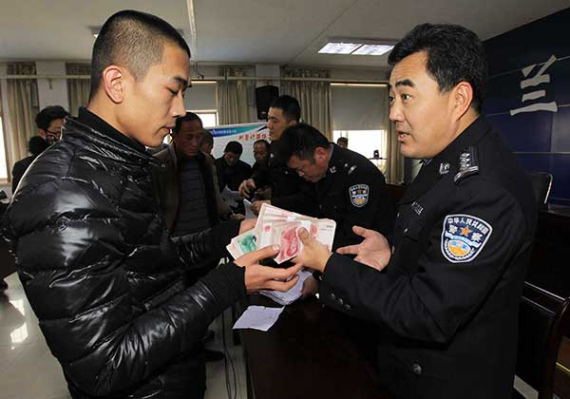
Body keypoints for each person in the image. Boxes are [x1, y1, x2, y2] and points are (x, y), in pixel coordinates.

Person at [1, 10, 300, 399]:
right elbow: (104, 365)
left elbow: (148, 261)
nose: (179, 110)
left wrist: (227, 233)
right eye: (173, 90)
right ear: (117, 83)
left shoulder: (117, 166)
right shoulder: (63, 191)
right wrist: (229, 282)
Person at [293, 23, 536, 399]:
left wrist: (329, 265)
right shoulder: (444, 163)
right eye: (391, 98)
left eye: (406, 97)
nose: (393, 113)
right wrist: (392, 253)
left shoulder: (484, 190)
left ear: (458, 99)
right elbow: (430, 251)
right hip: (407, 365)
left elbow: (428, 311)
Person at [153, 111, 229, 363]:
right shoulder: (160, 163)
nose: (195, 143)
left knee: (203, 298)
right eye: (188, 137)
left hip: (207, 242)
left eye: (199, 137)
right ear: (173, 135)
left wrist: (230, 219)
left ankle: (197, 342)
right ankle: (186, 350)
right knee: (181, 302)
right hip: (177, 247)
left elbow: (216, 199)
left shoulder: (206, 162)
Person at [277, 123, 394, 250]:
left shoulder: (359, 174)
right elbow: (311, 203)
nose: (300, 174)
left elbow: (355, 233)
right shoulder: (319, 170)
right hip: (332, 243)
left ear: (320, 154)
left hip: (365, 252)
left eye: (301, 168)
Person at [238, 95, 314, 214]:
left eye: (274, 121)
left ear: (292, 124)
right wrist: (253, 181)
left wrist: (272, 204)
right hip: (279, 216)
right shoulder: (275, 144)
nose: (268, 125)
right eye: (268, 119)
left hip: (302, 218)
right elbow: (267, 168)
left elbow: (309, 197)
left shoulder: (307, 152)